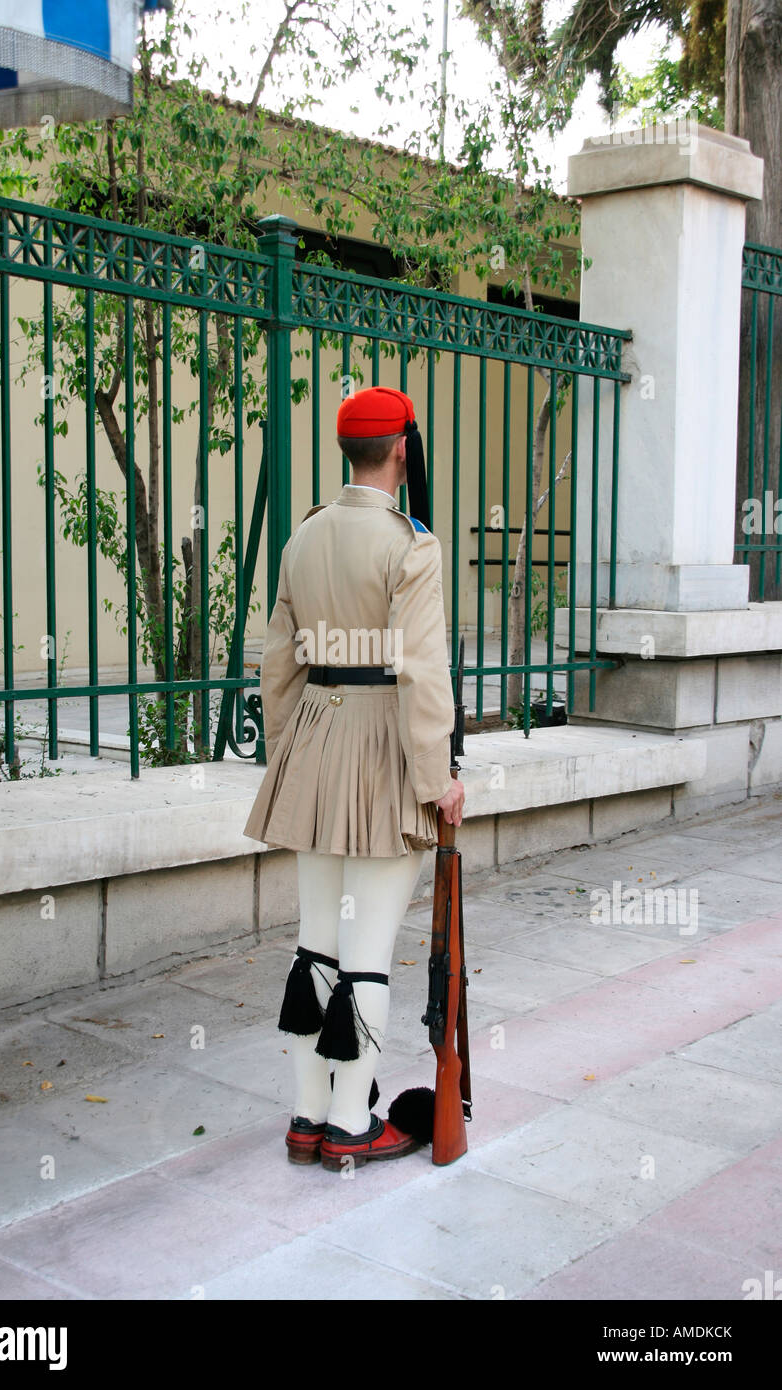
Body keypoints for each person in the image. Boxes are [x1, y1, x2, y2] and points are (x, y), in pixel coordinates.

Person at [243, 385, 465, 1170]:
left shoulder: (304, 537)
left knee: (316, 947)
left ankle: (306, 1118)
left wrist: (292, 754)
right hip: (381, 753)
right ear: (404, 447)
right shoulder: (410, 546)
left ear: (348, 450)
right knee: (367, 951)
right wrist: (438, 778)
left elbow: (278, 664)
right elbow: (422, 674)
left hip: (316, 740)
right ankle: (348, 1125)